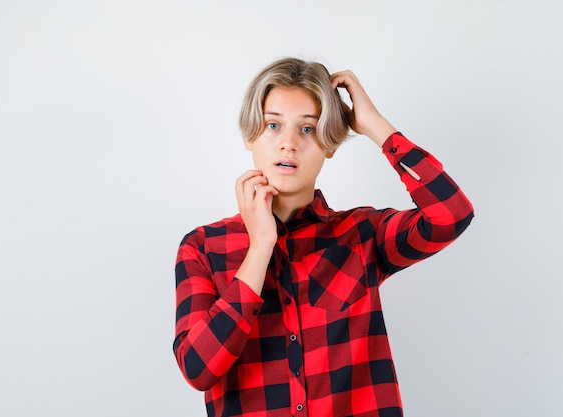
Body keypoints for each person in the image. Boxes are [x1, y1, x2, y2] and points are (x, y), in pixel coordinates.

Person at [173, 57, 474, 417]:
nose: (288, 144)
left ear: (329, 146)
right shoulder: (203, 248)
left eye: (308, 129)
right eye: (272, 125)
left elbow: (452, 214)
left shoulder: (362, 236)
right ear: (249, 136)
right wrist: (260, 247)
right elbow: (198, 368)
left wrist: (374, 126)